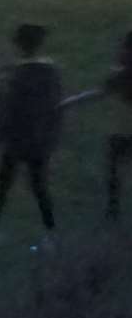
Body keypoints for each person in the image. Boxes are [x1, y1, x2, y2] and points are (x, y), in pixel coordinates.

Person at [0, 24, 62, 246]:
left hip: (17, 139)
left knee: (4, 184)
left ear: (18, 45)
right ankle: (51, 234)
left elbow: (4, 112)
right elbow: (55, 105)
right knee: (39, 186)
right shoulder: (50, 71)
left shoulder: (14, 75)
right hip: (39, 139)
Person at [59, 29, 132, 220]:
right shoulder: (121, 75)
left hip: (124, 133)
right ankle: (112, 209)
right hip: (122, 133)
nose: (119, 52)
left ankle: (113, 210)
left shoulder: (122, 76)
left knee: (114, 170)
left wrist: (67, 103)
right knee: (114, 169)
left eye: (123, 48)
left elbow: (97, 94)